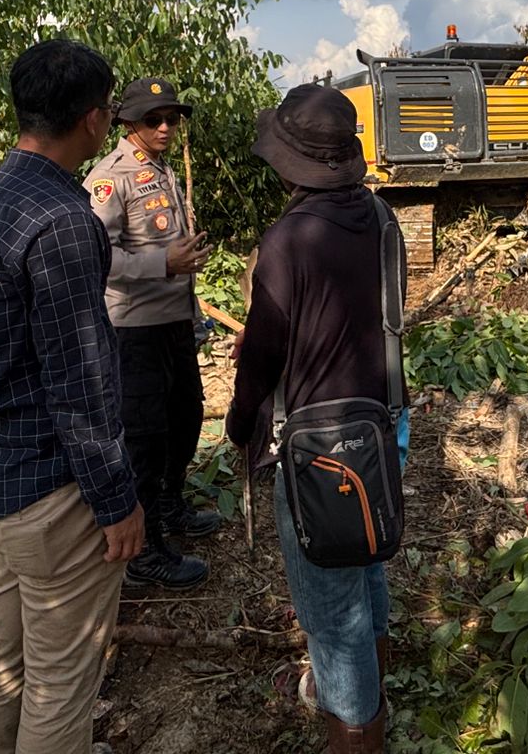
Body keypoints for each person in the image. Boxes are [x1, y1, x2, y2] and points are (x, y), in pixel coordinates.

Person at [0, 38, 145, 754]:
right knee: (62, 681)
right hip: (55, 488)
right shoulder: (63, 223)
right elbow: (81, 382)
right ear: (94, 120)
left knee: (6, 660)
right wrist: (116, 500)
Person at [225, 83, 407, 754]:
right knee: (366, 565)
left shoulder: (289, 239)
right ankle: (376, 687)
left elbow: (263, 361)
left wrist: (241, 425)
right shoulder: (381, 219)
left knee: (332, 618)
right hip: (384, 423)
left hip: (320, 447)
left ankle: (356, 732)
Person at [84, 76, 219, 591]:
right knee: (144, 436)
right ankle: (144, 554)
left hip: (175, 321)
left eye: (172, 118)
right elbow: (100, 256)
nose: (165, 127)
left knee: (186, 419)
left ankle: (171, 505)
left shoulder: (159, 169)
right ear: (127, 123)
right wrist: (163, 261)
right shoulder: (109, 179)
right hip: (134, 328)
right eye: (152, 119)